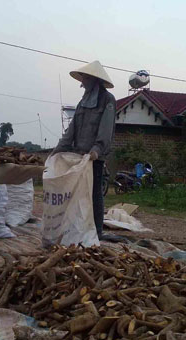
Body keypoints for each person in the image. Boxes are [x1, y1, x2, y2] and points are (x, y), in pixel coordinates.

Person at [52, 60, 116, 241]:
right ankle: (76, 228)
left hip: (94, 158)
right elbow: (71, 130)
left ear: (94, 80)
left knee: (94, 193)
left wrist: (96, 151)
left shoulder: (107, 100)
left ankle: (96, 231)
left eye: (85, 79)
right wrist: (57, 151)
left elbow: (106, 129)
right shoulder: (83, 102)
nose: (82, 83)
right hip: (77, 155)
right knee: (75, 194)